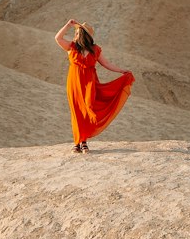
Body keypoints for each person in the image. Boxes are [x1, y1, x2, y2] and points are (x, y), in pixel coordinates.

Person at [55, 17, 135, 154]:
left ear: (84, 35)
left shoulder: (95, 49)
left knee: (88, 110)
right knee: (77, 113)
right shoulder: (71, 47)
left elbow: (107, 64)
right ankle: (78, 143)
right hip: (74, 85)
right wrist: (68, 25)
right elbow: (58, 38)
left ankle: (84, 141)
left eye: (79, 32)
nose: (77, 34)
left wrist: (121, 70)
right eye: (77, 32)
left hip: (90, 84)